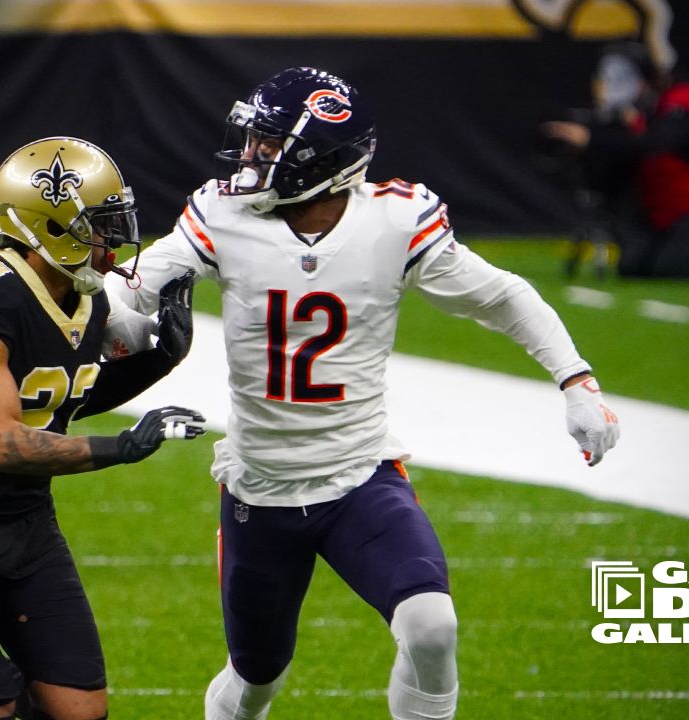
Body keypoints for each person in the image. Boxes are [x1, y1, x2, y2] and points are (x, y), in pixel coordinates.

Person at [106, 67, 621, 720]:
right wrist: (116, 318)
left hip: (359, 476)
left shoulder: (396, 219)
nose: (250, 157)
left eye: (269, 146)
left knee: (432, 625)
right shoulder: (222, 211)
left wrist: (577, 383)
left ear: (319, 160)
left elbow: (502, 295)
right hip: (261, 489)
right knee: (255, 678)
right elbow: (134, 285)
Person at [0, 136, 205, 720]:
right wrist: (123, 447)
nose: (112, 243)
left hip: (28, 523)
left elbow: (63, 400)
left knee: (82, 710)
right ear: (52, 224)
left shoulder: (82, 298)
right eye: (99, 227)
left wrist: (161, 357)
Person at [541, 42, 689, 279]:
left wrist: (592, 138)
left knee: (674, 265)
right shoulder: (640, 117)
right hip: (662, 217)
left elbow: (656, 142)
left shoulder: (686, 100)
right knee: (633, 266)